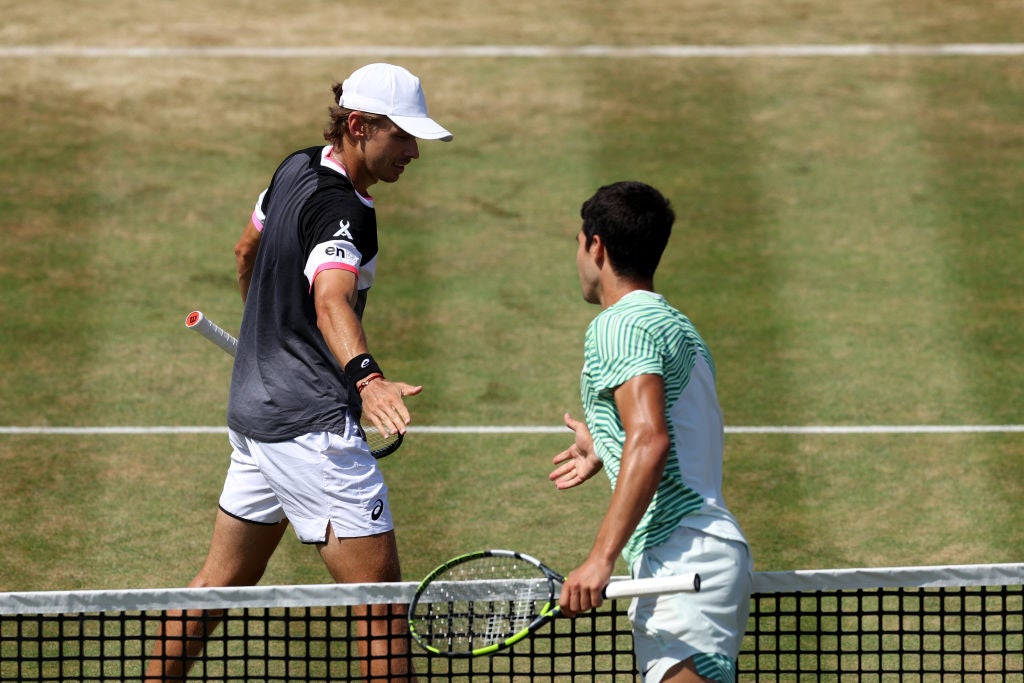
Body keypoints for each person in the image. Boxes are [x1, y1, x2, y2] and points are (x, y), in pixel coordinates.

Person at [146, 62, 452, 682]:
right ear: (361, 126)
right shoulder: (347, 212)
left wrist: (267, 338)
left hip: (255, 416)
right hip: (310, 431)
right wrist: (366, 379)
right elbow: (332, 298)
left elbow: (245, 250)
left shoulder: (295, 166)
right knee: (381, 611)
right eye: (402, 136)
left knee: (221, 581)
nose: (414, 151)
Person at [549, 181, 752, 683]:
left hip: (682, 559)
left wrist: (600, 558)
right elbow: (679, 432)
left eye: (579, 243)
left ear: (596, 246)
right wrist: (605, 443)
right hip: (693, 556)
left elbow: (652, 439)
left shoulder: (619, 324)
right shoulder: (676, 325)